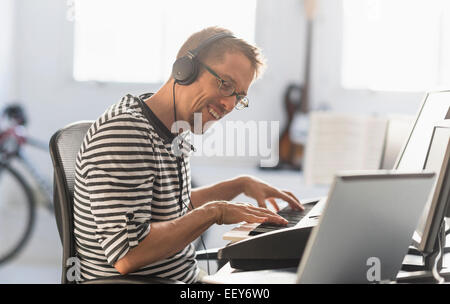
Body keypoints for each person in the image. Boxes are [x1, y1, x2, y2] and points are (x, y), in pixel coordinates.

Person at [73, 26, 304, 283]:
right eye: (226, 84)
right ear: (184, 70)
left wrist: (239, 185)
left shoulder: (173, 131)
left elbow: (170, 210)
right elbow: (128, 254)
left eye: (239, 97)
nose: (230, 105)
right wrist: (214, 212)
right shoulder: (126, 132)